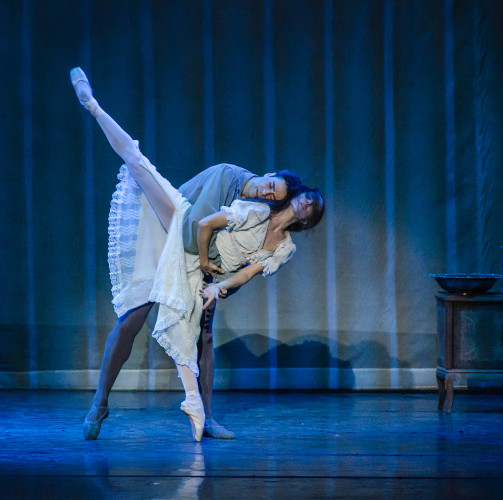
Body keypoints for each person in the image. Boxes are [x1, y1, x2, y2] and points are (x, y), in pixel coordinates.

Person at [71, 67, 324, 441]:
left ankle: (204, 417)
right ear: (268, 174)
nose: (265, 193)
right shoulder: (229, 177)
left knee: (203, 334)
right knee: (132, 320)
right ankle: (100, 404)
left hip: (199, 262)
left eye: (273, 196)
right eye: (269, 186)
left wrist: (215, 284)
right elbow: (193, 224)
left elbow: (246, 267)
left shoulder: (266, 221)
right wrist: (204, 271)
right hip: (171, 233)